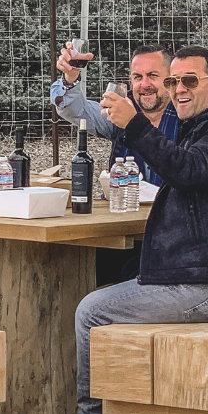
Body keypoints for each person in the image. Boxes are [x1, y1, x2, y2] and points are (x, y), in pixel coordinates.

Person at [75, 46, 208, 414]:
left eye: (189, 80)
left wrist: (134, 124)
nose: (179, 89)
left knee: (91, 311)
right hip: (197, 277)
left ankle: (89, 412)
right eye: (174, 81)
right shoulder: (203, 129)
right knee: (107, 289)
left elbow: (187, 170)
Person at [53, 43, 178, 285]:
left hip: (169, 235)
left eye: (153, 75)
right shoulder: (122, 111)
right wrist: (70, 78)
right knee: (68, 267)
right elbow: (77, 111)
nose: (144, 84)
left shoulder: (186, 114)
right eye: (137, 77)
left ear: (171, 80)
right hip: (121, 227)